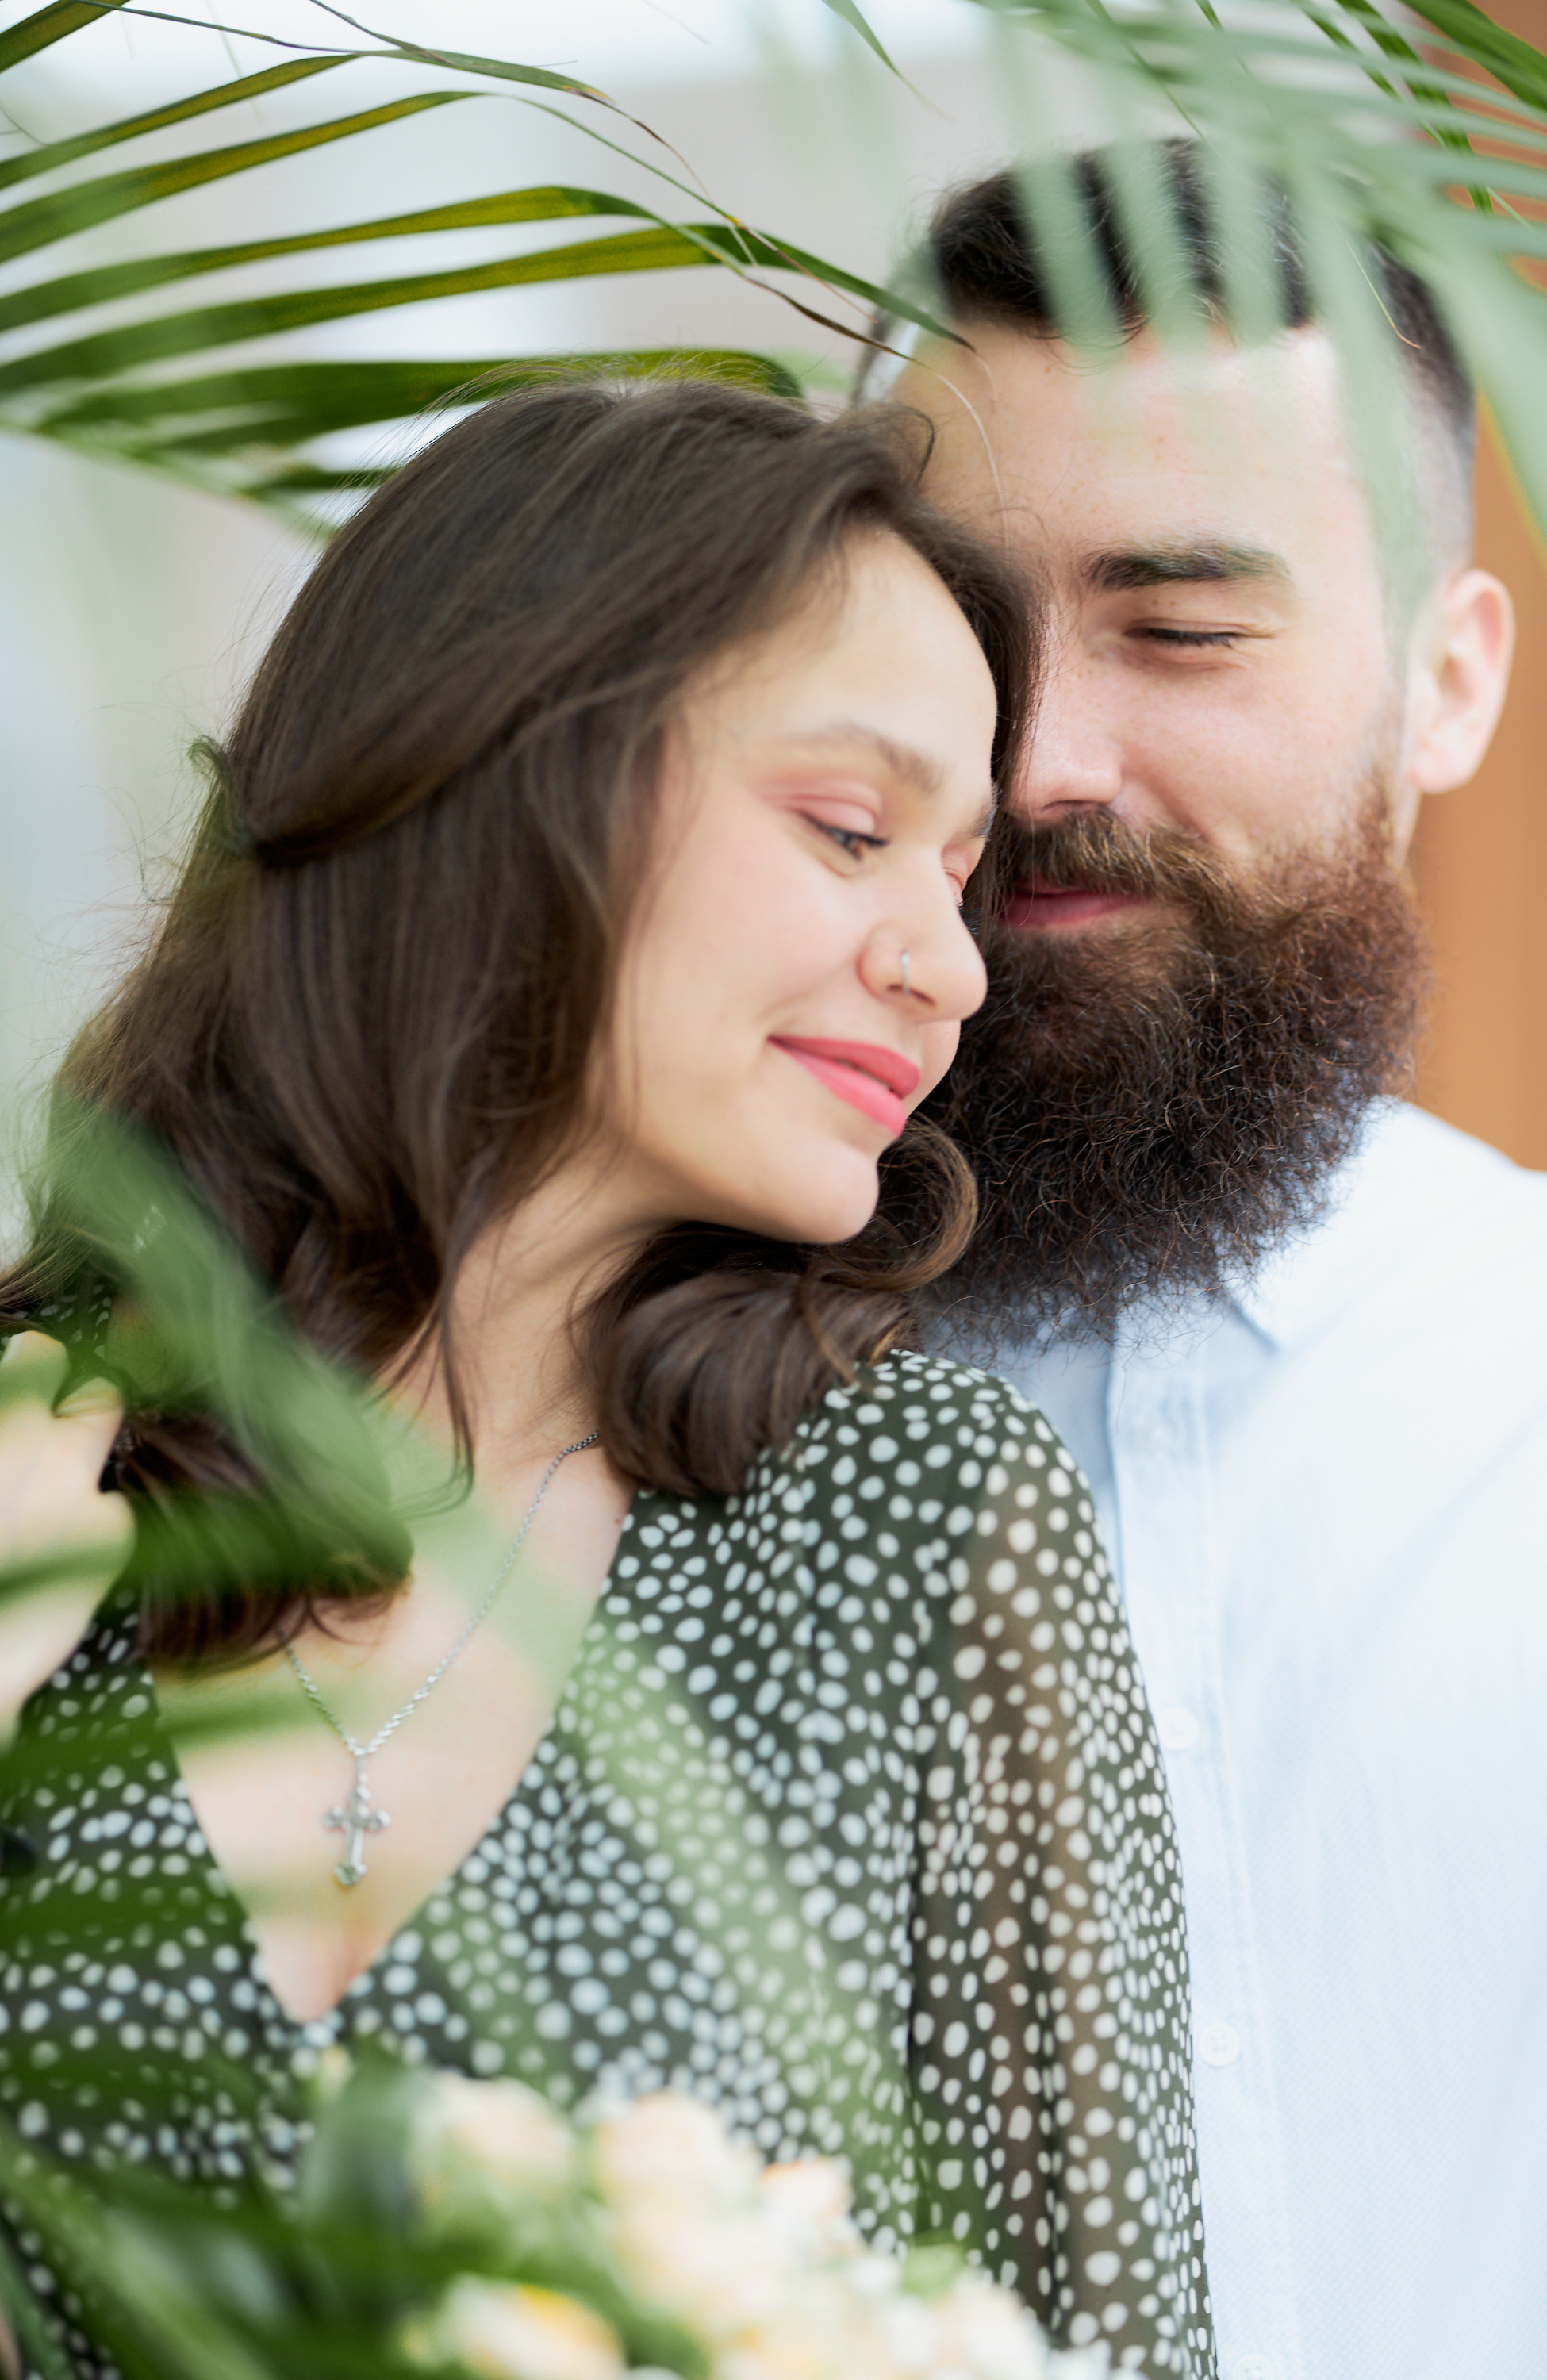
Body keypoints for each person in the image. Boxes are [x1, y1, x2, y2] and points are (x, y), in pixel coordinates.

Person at [0, 377, 1213, 2378]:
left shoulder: (921, 1523)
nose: (952, 965)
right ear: (496, 761)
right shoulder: (45, 1464)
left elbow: (1116, 2348)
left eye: (963, 873)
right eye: (849, 830)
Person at [871, 150, 1547, 2380]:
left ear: (1448, 688)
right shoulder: (526, 1409)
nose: (1041, 757)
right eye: (960, 636)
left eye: (1181, 631)